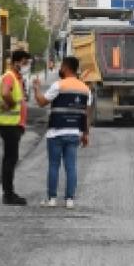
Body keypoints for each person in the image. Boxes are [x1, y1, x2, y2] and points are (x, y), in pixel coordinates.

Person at [32, 56, 92, 209]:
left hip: (56, 133)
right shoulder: (85, 89)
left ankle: (52, 199)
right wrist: (85, 134)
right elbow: (86, 114)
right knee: (71, 166)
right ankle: (69, 200)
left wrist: (36, 89)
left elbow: (41, 102)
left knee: (54, 165)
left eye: (62, 66)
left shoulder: (58, 85)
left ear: (66, 67)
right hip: (74, 133)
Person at [0, 49, 33, 205]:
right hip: (9, 125)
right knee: (10, 160)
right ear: (17, 62)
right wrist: (11, 104)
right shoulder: (10, 77)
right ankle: (8, 194)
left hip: (13, 124)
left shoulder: (15, 77)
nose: (26, 65)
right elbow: (5, 93)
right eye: (25, 62)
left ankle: (8, 192)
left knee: (10, 159)